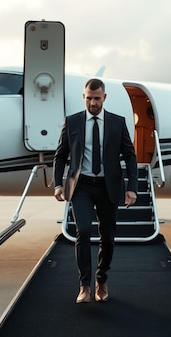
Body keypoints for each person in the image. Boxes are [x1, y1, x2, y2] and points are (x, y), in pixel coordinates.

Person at [53, 78, 138, 304]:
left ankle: (101, 279)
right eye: (89, 98)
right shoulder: (72, 122)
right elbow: (60, 155)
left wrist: (132, 188)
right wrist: (58, 184)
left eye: (97, 98)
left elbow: (130, 155)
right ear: (84, 97)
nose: (92, 103)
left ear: (104, 98)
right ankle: (84, 286)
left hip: (108, 187)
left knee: (108, 237)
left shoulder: (117, 123)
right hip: (81, 186)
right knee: (83, 230)